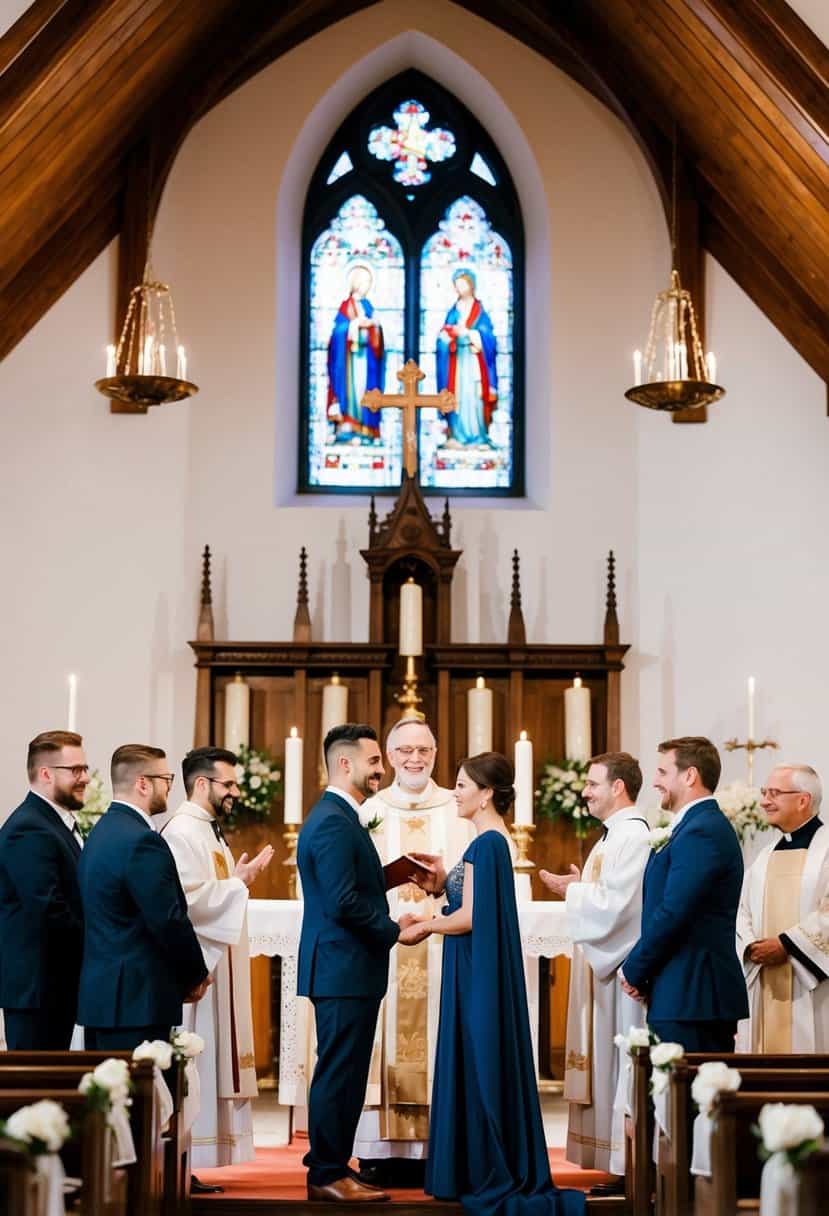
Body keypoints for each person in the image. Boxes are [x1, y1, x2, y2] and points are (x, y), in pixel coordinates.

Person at [400, 752, 585, 1216]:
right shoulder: (490, 843)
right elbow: (466, 901)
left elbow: (469, 918)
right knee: (474, 1057)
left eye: (463, 785)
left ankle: (483, 1166)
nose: (455, 792)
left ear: (486, 794)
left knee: (477, 1059)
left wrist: (424, 925)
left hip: (475, 968)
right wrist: (441, 884)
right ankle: (472, 1164)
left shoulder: (487, 845)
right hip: (476, 965)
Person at [297, 724, 414, 1203]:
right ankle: (325, 1173)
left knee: (344, 1070)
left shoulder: (340, 817)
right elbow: (343, 901)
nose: (381, 770)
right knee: (340, 1071)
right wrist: (393, 931)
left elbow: (345, 886)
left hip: (348, 966)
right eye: (374, 762)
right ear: (345, 764)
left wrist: (396, 873)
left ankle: (334, 1165)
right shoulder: (331, 820)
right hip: (343, 968)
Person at [354, 717, 474, 1186]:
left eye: (423, 749)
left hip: (444, 949)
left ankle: (437, 1149)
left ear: (436, 753)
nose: (414, 758)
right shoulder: (370, 810)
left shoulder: (457, 809)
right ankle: (378, 1151)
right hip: (385, 944)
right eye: (404, 750)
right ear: (389, 755)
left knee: (441, 1036)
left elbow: (471, 878)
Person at [163, 747, 275, 1190]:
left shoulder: (208, 830)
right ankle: (178, 1165)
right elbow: (184, 902)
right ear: (202, 784)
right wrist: (237, 884)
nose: (235, 791)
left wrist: (235, 879)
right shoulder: (181, 833)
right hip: (198, 971)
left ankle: (187, 1163)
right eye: (227, 783)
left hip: (213, 966)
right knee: (195, 1064)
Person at [539, 752, 650, 1193]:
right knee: (607, 1065)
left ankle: (631, 1167)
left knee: (622, 1064)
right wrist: (580, 887)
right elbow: (606, 896)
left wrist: (577, 891)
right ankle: (617, 1164)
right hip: (607, 971)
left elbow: (621, 908)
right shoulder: (611, 837)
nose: (585, 792)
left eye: (592, 784)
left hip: (624, 976)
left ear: (618, 787)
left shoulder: (634, 837)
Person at [77, 744, 210, 1051]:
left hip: (103, 1000)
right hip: (136, 1002)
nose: (169, 788)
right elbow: (167, 918)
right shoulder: (142, 841)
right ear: (143, 783)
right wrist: (195, 974)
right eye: (167, 779)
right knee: (140, 1097)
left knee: (112, 1097)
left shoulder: (100, 833)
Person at [621, 737, 749, 1051]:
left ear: (689, 775)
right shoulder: (692, 827)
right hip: (681, 992)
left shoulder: (702, 830)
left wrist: (635, 969)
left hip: (695, 994)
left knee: (687, 1098)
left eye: (663, 773)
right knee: (671, 1097)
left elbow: (674, 911)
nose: (654, 782)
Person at [0, 731, 88, 1049]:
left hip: (55, 984)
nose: (85, 778)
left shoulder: (54, 822)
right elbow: (49, 908)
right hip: (38, 989)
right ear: (46, 773)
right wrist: (98, 940)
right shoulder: (28, 828)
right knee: (37, 1089)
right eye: (75, 770)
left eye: (85, 768)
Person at [736, 764, 828, 1052]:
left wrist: (787, 945)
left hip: (811, 985)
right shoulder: (764, 855)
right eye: (765, 792)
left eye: (774, 793)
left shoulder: (825, 851)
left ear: (803, 800)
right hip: (763, 980)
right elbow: (742, 910)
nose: (764, 800)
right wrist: (752, 945)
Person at [436, 268, 498, 447]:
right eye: (457, 285)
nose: (459, 288)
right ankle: (456, 434)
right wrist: (448, 337)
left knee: (475, 397)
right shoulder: (454, 311)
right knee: (458, 396)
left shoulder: (479, 311)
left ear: (471, 285)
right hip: (456, 362)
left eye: (462, 284)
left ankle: (478, 435)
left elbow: (488, 338)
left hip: (474, 361)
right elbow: (443, 335)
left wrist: (472, 335)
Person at [327, 263, 385, 443]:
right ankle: (348, 423)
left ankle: (367, 427)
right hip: (349, 364)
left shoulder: (368, 306)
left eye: (369, 282)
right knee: (351, 391)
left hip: (367, 361)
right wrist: (354, 326)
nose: (366, 286)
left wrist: (374, 327)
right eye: (364, 281)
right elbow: (337, 333)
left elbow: (378, 333)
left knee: (365, 390)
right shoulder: (345, 307)